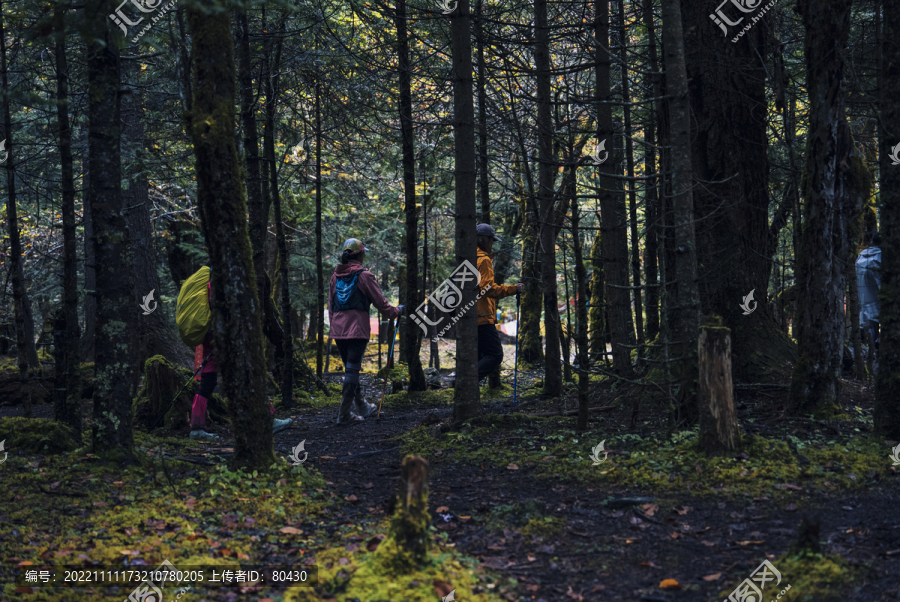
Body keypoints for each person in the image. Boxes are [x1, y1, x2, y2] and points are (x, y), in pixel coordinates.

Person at [189, 280, 294, 440]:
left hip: (210, 336)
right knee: (249, 374)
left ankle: (196, 428)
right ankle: (268, 421)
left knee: (208, 382)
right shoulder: (219, 282)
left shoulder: (207, 284)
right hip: (222, 338)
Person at [329, 238, 404, 425]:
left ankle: (362, 406)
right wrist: (396, 312)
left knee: (350, 370)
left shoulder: (334, 276)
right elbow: (380, 303)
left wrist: (334, 326)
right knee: (352, 369)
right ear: (360, 254)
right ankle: (344, 414)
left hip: (338, 328)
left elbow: (331, 305)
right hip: (357, 328)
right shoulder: (365, 276)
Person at [475, 223, 524, 382]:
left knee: (477, 357)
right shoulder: (483, 260)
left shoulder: (468, 257)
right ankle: (467, 381)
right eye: (491, 240)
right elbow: (488, 289)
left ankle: (467, 388)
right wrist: (513, 289)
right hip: (482, 316)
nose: (492, 244)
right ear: (483, 239)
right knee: (495, 355)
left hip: (469, 316)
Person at [856, 232, 882, 359]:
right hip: (877, 297)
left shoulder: (861, 256)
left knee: (869, 323)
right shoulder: (880, 256)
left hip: (864, 298)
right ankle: (876, 350)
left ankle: (872, 352)